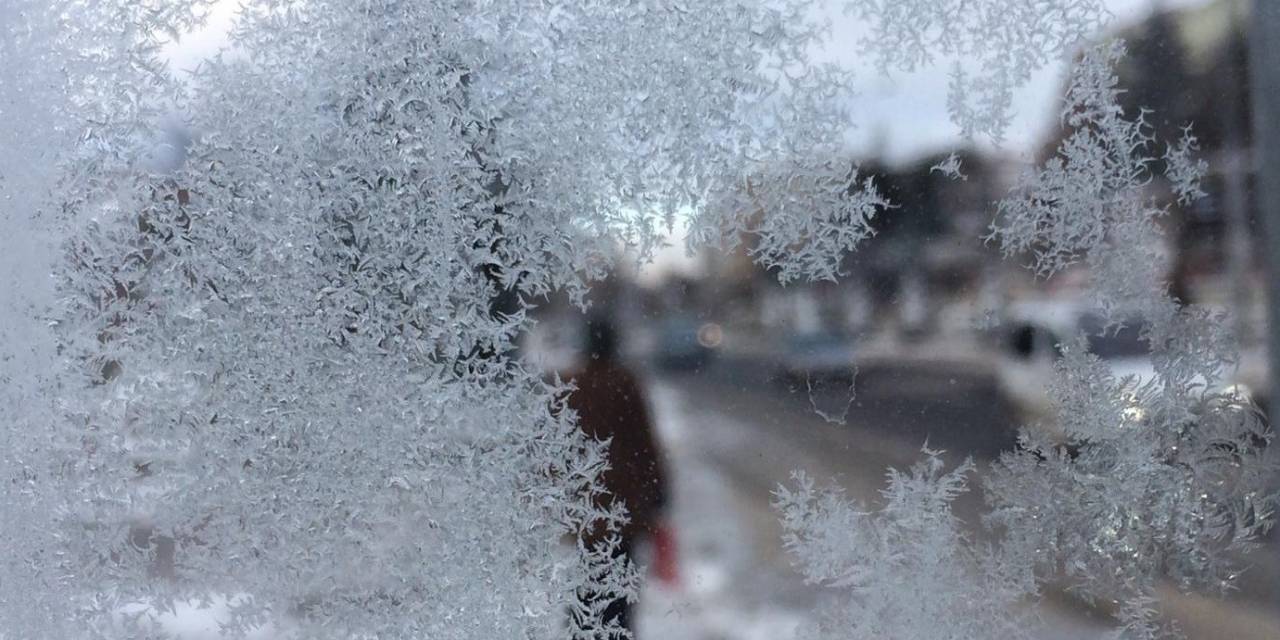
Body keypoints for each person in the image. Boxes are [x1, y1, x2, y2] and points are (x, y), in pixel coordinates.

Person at [566, 315, 669, 636]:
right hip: (623, 509)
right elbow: (644, 444)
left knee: (589, 586)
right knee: (619, 594)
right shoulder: (625, 383)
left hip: (586, 508)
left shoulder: (574, 385)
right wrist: (658, 494)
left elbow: (559, 447)